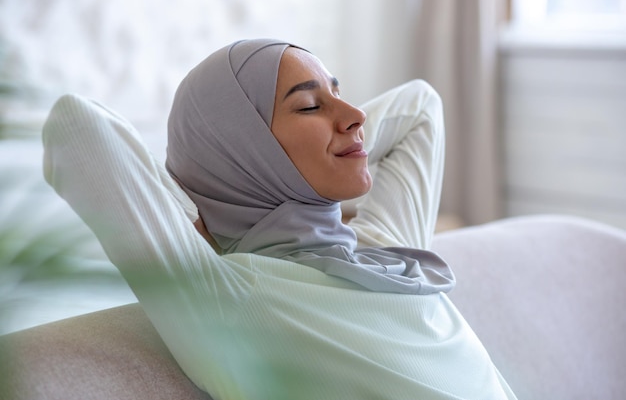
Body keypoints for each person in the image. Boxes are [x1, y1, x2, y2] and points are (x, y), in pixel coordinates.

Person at [43, 39, 517, 399]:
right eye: (310, 105)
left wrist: (334, 138)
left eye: (339, 93)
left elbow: (420, 108)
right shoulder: (226, 298)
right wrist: (199, 201)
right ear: (245, 151)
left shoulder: (381, 251)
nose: (355, 116)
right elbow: (76, 125)